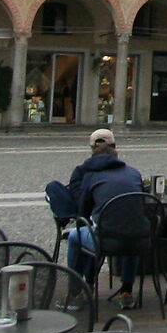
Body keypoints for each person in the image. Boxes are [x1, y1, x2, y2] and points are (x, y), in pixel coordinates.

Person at [44, 129, 147, 301]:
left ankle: (76, 291)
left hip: (105, 239)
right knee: (130, 230)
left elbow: (83, 212)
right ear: (116, 150)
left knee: (76, 237)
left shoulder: (90, 175)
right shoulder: (134, 173)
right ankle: (126, 291)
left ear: (92, 150)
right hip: (141, 239)